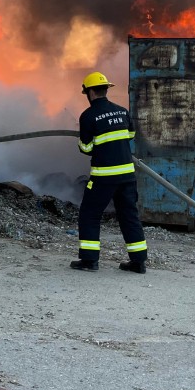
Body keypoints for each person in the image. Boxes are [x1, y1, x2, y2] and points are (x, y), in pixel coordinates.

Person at [72, 70, 147, 273]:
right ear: (106, 90)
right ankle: (138, 262)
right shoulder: (122, 111)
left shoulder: (88, 116)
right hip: (127, 177)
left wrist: (87, 139)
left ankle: (89, 260)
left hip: (103, 177)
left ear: (90, 92)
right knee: (129, 216)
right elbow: (130, 134)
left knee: (89, 214)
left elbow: (86, 148)